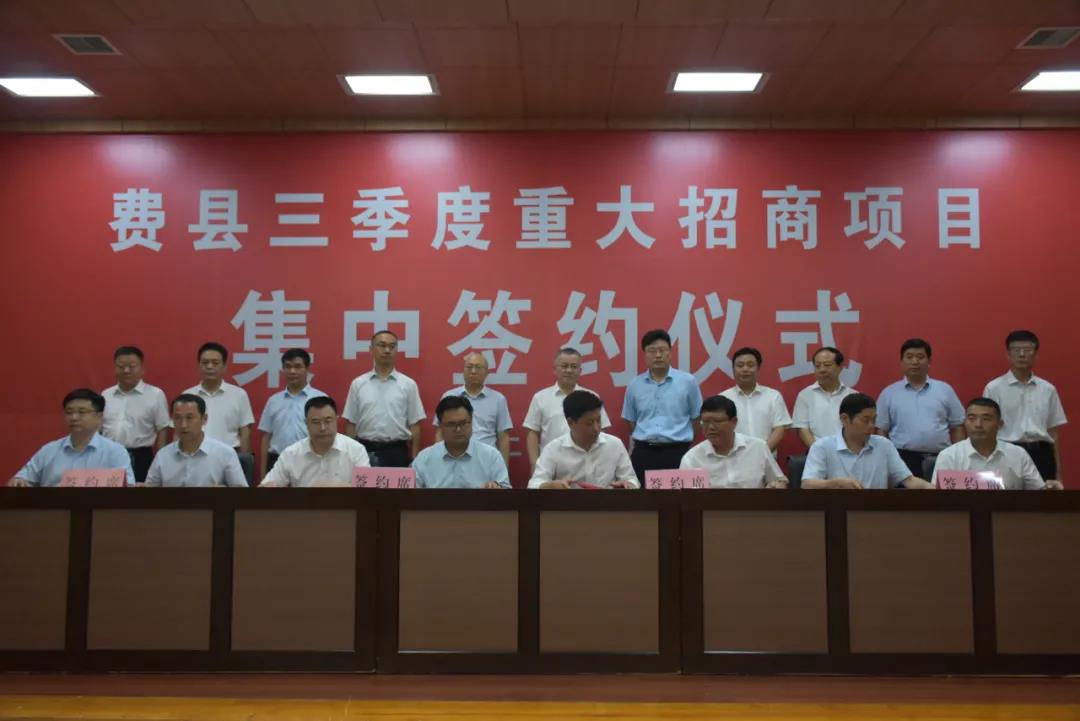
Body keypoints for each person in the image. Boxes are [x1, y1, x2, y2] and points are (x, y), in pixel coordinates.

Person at [621, 329, 703, 486]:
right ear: (645, 355)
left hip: (678, 453)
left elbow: (696, 418)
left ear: (670, 353)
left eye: (662, 350)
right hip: (644, 453)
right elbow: (630, 422)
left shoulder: (688, 382)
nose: (658, 355)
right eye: (652, 351)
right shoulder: (635, 384)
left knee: (679, 498)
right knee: (643, 499)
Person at [983, 329, 1067, 481]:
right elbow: (987, 428)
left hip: (1041, 454)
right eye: (1016, 350)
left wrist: (1058, 470)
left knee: (1043, 495)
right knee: (1007, 495)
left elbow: (1053, 431)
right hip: (1006, 452)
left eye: (1027, 350)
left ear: (1036, 355)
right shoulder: (994, 388)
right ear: (1008, 355)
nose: (1022, 354)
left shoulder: (1048, 389)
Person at [802, 393, 932, 490]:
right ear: (845, 419)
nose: (871, 425)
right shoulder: (822, 447)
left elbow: (909, 481)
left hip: (876, 511)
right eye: (865, 420)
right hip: (838, 511)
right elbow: (807, 485)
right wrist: (836, 483)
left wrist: (934, 488)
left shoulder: (884, 445)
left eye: (874, 420)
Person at [876, 338, 965, 477]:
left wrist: (956, 454)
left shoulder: (945, 390)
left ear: (929, 361)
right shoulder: (889, 393)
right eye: (909, 357)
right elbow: (881, 430)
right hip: (902, 459)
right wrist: (887, 459)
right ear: (901, 362)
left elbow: (958, 425)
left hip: (941, 458)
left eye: (920, 357)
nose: (915, 361)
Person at [9, 389, 134, 487]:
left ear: (99, 416)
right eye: (69, 412)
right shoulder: (49, 450)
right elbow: (21, 479)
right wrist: (18, 481)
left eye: (82, 412)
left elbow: (127, 490)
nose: (74, 417)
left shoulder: (115, 452)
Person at [932, 397, 1060, 490]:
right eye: (972, 418)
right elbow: (939, 496)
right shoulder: (949, 455)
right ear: (965, 422)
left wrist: (1050, 488)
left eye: (986, 419)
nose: (978, 424)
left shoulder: (1018, 454)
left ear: (1000, 424)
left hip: (1008, 515)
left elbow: (1038, 491)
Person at [342, 330, 425, 467]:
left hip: (397, 451)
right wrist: (351, 455)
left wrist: (414, 458)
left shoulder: (408, 384)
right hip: (365, 450)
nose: (387, 350)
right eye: (382, 345)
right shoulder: (358, 384)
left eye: (392, 346)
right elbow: (351, 423)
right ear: (371, 349)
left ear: (396, 350)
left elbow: (415, 424)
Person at [522, 347, 610, 470]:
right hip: (550, 463)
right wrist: (534, 464)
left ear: (580, 371)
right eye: (564, 366)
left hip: (586, 462)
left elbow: (602, 430)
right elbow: (532, 432)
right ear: (555, 369)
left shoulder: (591, 397)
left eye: (574, 367)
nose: (569, 370)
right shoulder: (540, 397)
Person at [530, 390, 638, 489]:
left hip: (607, 503)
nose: (596, 428)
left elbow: (631, 479)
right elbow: (533, 485)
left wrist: (628, 485)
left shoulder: (614, 444)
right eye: (589, 423)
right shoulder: (553, 449)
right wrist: (550, 486)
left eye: (598, 421)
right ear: (571, 422)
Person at [260, 397, 371, 487]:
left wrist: (333, 488)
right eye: (316, 422)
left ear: (336, 420)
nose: (322, 428)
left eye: (328, 421)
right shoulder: (291, 453)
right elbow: (267, 485)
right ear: (306, 424)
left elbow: (368, 488)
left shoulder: (356, 450)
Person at [680, 395, 787, 488]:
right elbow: (685, 497)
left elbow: (779, 481)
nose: (711, 427)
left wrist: (777, 485)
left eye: (717, 421)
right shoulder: (692, 459)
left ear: (734, 422)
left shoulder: (758, 447)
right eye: (706, 422)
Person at [100, 345, 171, 483]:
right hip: (109, 455)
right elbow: (99, 428)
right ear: (115, 368)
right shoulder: (106, 395)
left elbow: (162, 429)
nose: (126, 370)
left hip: (140, 457)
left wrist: (159, 460)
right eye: (121, 366)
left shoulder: (155, 394)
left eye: (132, 366)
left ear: (142, 369)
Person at [145, 394, 248, 487]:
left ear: (204, 419)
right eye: (178, 418)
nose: (183, 425)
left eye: (189, 418)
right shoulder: (163, 455)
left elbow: (242, 494)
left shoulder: (225, 453)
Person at [412, 396, 509, 489]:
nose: (458, 429)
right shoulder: (424, 458)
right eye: (451, 424)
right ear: (440, 426)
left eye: (463, 423)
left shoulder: (491, 456)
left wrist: (496, 488)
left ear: (471, 422)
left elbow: (506, 490)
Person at [257, 349, 327, 477]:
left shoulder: (321, 399)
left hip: (310, 461)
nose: (292, 371)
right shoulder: (274, 400)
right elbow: (266, 437)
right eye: (288, 367)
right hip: (277, 462)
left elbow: (327, 435)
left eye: (297, 366)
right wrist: (263, 474)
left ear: (307, 369)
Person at [434, 352, 512, 467]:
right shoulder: (449, 396)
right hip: (454, 458)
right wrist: (440, 461)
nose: (473, 371)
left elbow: (503, 438)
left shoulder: (498, 399)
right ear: (463, 371)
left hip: (487, 460)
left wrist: (503, 469)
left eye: (478, 367)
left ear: (487, 373)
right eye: (469, 367)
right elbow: (440, 432)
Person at [182, 342, 255, 453]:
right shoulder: (187, 395)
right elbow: (179, 431)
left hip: (229, 454)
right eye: (205, 362)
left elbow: (245, 432)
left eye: (215, 363)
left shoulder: (239, 394)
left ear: (224, 366)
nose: (209, 366)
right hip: (194, 453)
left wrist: (243, 459)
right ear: (199, 365)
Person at [718, 347, 791, 454]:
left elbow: (779, 429)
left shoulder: (773, 396)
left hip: (766, 458)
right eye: (740, 365)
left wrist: (761, 453)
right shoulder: (722, 399)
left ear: (758, 368)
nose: (745, 369)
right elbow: (719, 431)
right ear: (733, 369)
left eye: (750, 365)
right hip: (733, 458)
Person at [791, 347, 857, 449]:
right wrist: (819, 452)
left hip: (848, 451)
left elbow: (858, 427)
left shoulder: (853, 396)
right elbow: (802, 429)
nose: (822, 370)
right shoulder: (805, 395)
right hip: (817, 452)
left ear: (840, 367)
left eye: (827, 365)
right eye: (817, 366)